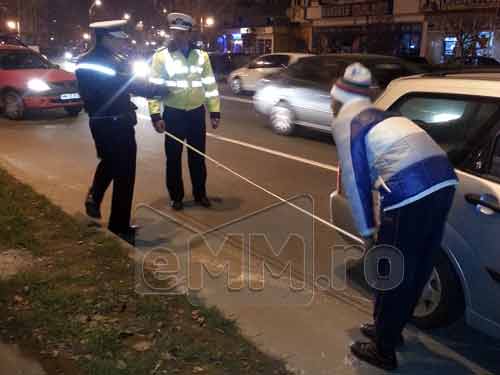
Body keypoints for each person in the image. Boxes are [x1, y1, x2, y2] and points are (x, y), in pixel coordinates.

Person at [330, 63, 458, 371]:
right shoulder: (386, 115)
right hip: (444, 180)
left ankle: (383, 350)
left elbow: (357, 184)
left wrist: (367, 235)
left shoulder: (349, 126)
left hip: (410, 191)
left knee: (392, 270)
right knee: (418, 263)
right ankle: (390, 328)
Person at [76, 20, 168, 245]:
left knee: (109, 162)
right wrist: (159, 90)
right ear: (107, 38)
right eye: (119, 38)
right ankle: (119, 226)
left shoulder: (87, 60)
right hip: (116, 123)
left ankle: (94, 196)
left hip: (101, 122)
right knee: (125, 173)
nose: (123, 42)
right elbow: (128, 85)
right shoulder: (104, 63)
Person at [148, 13, 221, 211]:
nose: (178, 36)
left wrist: (214, 112)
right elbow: (154, 88)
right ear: (171, 32)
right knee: (173, 158)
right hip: (173, 113)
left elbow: (210, 85)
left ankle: (200, 194)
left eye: (182, 32)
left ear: (189, 32)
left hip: (196, 114)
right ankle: (176, 197)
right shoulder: (161, 56)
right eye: (174, 32)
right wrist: (155, 116)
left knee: (197, 157)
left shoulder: (201, 55)